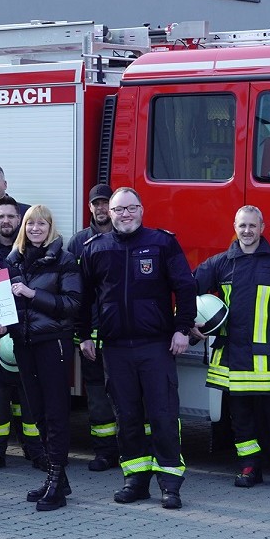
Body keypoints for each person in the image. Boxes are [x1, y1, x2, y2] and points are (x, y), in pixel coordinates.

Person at [77, 187, 196, 510]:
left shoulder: (161, 243)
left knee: (163, 415)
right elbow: (85, 297)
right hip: (115, 348)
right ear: (108, 213)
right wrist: (84, 335)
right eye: (118, 209)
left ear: (142, 210)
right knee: (126, 417)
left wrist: (182, 328)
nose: (124, 214)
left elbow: (185, 287)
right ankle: (135, 480)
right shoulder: (95, 249)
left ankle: (170, 484)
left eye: (131, 208)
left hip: (155, 345)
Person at [193, 205, 270, 491]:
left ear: (262, 228)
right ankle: (249, 468)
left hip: (269, 360)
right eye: (242, 226)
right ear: (235, 227)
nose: (247, 231)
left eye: (252, 226)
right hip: (233, 360)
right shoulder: (221, 263)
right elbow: (188, 288)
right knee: (241, 420)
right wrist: (188, 324)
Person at [0, 204, 82, 511]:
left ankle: (56, 482)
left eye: (41, 224)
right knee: (38, 413)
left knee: (56, 413)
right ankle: (56, 478)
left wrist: (33, 295)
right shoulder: (13, 260)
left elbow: (72, 303)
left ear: (50, 227)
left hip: (53, 343)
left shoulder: (64, 259)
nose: (35, 229)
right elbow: (6, 302)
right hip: (24, 343)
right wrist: (3, 322)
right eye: (31, 224)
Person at [0, 196, 45, 473]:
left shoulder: (30, 250)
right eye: (1, 216)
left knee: (31, 399)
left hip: (26, 336)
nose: (6, 221)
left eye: (11, 216)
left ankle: (37, 451)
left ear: (19, 219)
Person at [65, 183, 119, 471]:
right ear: (90, 207)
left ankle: (133, 449)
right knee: (97, 396)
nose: (100, 208)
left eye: (105, 203)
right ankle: (104, 451)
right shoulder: (78, 243)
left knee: (126, 393)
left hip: (121, 336)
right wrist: (81, 333)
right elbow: (75, 290)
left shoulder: (126, 237)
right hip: (91, 335)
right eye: (96, 204)